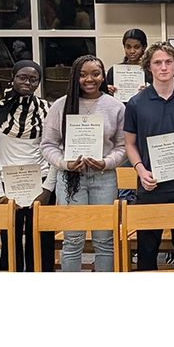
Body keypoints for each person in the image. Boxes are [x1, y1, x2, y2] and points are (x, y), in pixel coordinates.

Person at [41, 54, 126, 272]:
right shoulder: (61, 105)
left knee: (104, 240)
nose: (90, 79)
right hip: (70, 177)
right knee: (73, 240)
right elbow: (48, 145)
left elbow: (123, 146)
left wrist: (106, 162)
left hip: (103, 178)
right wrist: (64, 163)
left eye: (95, 74)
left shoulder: (115, 107)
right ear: (74, 77)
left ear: (102, 77)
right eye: (83, 74)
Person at [124, 42, 174, 271]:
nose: (163, 67)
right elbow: (129, 143)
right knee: (148, 250)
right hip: (150, 184)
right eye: (157, 62)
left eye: (168, 62)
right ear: (149, 67)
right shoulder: (136, 103)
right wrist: (140, 170)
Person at [0, 60, 55, 272]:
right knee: (9, 238)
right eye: (22, 77)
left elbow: (55, 152)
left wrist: (48, 189)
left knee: (40, 239)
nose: (27, 82)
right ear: (13, 77)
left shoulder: (48, 110)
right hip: (7, 185)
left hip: (41, 184)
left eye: (33, 79)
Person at [106, 28, 152, 95]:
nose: (132, 51)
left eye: (136, 47)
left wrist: (151, 91)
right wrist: (107, 90)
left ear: (144, 48)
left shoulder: (152, 71)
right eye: (128, 47)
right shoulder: (113, 71)